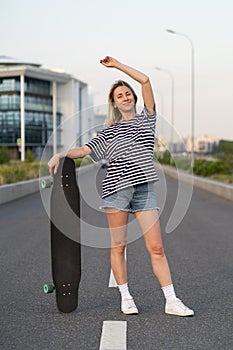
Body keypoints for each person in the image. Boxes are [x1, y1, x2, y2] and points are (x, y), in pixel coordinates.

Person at [48, 56, 194, 317]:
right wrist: (61, 155)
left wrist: (117, 66)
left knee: (157, 248)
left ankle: (171, 300)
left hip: (144, 190)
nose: (125, 97)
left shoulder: (147, 120)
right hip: (116, 191)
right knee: (119, 247)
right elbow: (84, 150)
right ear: (114, 103)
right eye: (120, 95)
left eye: (128, 93)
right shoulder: (107, 133)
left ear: (134, 99)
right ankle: (126, 297)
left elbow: (146, 81)